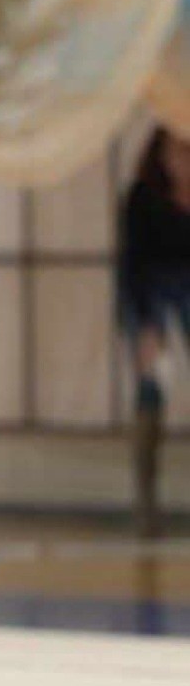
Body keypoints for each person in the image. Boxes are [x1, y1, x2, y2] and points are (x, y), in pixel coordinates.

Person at [119, 125, 190, 537]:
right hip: (151, 293)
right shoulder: (142, 198)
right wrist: (145, 327)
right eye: (177, 150)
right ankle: (146, 503)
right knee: (151, 389)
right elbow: (132, 267)